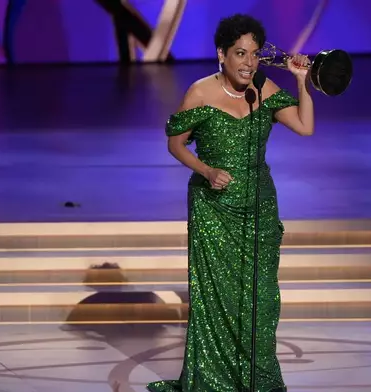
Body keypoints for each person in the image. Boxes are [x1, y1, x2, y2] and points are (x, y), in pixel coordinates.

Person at [147, 13, 314, 392]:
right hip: (214, 207)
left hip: (259, 206)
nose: (248, 63)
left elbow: (305, 126)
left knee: (262, 298)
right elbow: (176, 143)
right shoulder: (200, 92)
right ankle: (216, 381)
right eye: (240, 53)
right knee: (219, 297)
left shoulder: (263, 88)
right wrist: (206, 170)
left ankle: (257, 380)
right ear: (222, 54)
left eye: (254, 54)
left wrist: (301, 81)